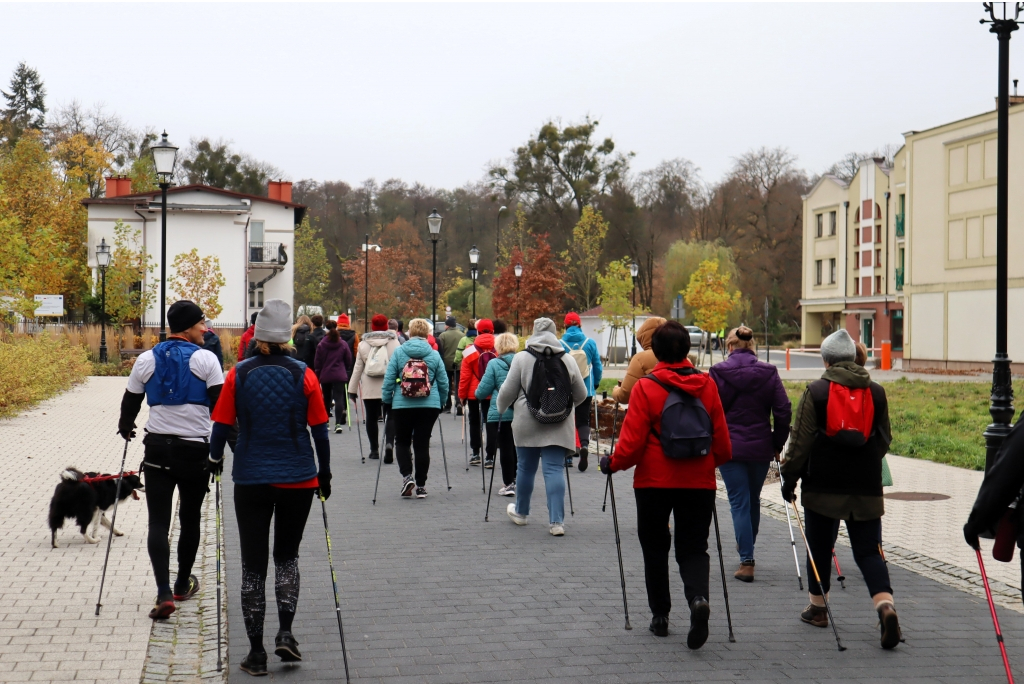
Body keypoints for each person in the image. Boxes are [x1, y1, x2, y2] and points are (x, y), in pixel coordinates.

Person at [208, 299, 332, 676]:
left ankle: (256, 653)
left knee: (253, 566)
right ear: (288, 338)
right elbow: (320, 429)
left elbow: (221, 426)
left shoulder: (238, 375)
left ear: (258, 337)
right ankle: (287, 633)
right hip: (298, 477)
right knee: (287, 557)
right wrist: (323, 472)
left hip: (251, 478)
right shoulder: (304, 374)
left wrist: (215, 460)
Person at [599, 320, 732, 647]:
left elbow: (630, 446)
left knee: (655, 547)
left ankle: (660, 616)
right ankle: (698, 599)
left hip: (653, 482)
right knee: (694, 548)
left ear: (653, 351)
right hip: (698, 483)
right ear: (687, 348)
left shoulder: (646, 387)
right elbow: (724, 445)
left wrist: (612, 464)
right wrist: (704, 467)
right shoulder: (707, 384)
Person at [780, 328, 900, 649]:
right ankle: (885, 607)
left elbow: (800, 441)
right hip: (866, 486)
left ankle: (818, 609)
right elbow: (885, 438)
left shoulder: (816, 391)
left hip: (822, 485)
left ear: (826, 359)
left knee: (819, 545)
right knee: (868, 550)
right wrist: (866, 461)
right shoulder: (876, 392)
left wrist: (789, 478)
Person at [117, 300, 224, 620]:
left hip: (158, 451)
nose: (206, 328)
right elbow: (221, 411)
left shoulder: (146, 359)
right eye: (201, 323)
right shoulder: (207, 359)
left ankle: (163, 593)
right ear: (188, 327)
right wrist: (220, 453)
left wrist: (126, 427)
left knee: (158, 523)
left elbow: (130, 401)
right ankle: (181, 584)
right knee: (190, 518)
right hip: (194, 452)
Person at [708, 325, 791, 582]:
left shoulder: (717, 372)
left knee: (739, 501)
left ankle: (747, 560)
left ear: (729, 346)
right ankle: (747, 548)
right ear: (752, 346)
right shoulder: (769, 372)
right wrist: (777, 443)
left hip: (729, 447)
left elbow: (707, 408)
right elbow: (783, 410)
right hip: (760, 447)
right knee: (752, 499)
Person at [496, 317, 587, 537]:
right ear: (555, 332)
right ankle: (556, 522)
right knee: (554, 469)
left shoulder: (521, 358)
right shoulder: (567, 359)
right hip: (559, 423)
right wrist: (563, 408)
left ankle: (521, 513)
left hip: (527, 422)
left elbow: (507, 392)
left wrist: (501, 409)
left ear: (534, 333)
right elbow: (582, 394)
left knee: (526, 468)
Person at [381, 318, 448, 498]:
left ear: (410, 332)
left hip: (402, 405)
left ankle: (406, 477)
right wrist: (441, 402)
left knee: (402, 441)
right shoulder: (434, 355)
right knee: (422, 443)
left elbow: (389, 380)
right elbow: (443, 381)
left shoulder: (399, 352)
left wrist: (387, 400)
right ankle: (421, 486)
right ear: (427, 333)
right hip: (429, 405)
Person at [348, 314, 400, 461]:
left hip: (369, 386)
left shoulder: (364, 344)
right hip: (390, 386)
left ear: (372, 327)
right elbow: (400, 366)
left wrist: (352, 390)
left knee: (371, 418)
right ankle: (389, 443)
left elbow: (357, 368)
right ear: (386, 327)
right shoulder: (394, 344)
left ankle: (374, 450)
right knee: (390, 416)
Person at [476, 332, 519, 496]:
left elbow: (482, 391)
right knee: (518, 448)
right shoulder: (523, 361)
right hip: (521, 411)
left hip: (501, 411)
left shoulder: (494, 363)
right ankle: (520, 479)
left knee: (506, 447)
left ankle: (509, 483)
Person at [560, 312, 603, 471]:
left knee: (566, 420)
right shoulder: (590, 343)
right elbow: (597, 366)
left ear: (565, 326)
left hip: (566, 389)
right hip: (586, 388)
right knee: (583, 421)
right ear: (580, 325)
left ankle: (568, 457)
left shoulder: (560, 344)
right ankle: (584, 444)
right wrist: (595, 383)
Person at [459, 319, 496, 466]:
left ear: (478, 332)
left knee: (474, 422)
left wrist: (461, 395)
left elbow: (465, 376)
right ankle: (490, 457)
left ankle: (475, 454)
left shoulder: (469, 350)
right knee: (491, 423)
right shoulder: (498, 349)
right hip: (492, 391)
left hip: (473, 392)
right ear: (492, 331)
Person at [611, 317, 666, 404]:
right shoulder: (683, 358)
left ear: (643, 337)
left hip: (650, 413)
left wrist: (616, 390)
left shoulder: (640, 359)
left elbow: (625, 395)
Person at [315, 320, 354, 433]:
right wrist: (344, 369)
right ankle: (338, 423)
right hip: (339, 374)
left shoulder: (322, 344)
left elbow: (318, 362)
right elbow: (348, 359)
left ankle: (326, 422)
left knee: (326, 398)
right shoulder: (343, 344)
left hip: (326, 374)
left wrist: (318, 373)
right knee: (339, 398)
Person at [437, 317, 464, 413]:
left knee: (447, 384)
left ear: (447, 325)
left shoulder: (443, 335)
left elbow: (441, 349)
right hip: (459, 363)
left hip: (446, 363)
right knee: (458, 384)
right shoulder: (462, 335)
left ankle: (448, 405)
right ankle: (458, 402)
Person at [454, 321, 479, 415]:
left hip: (464, 365)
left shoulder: (464, 340)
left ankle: (460, 402)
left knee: (460, 384)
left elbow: (459, 353)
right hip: (478, 369)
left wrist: (456, 362)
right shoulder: (478, 339)